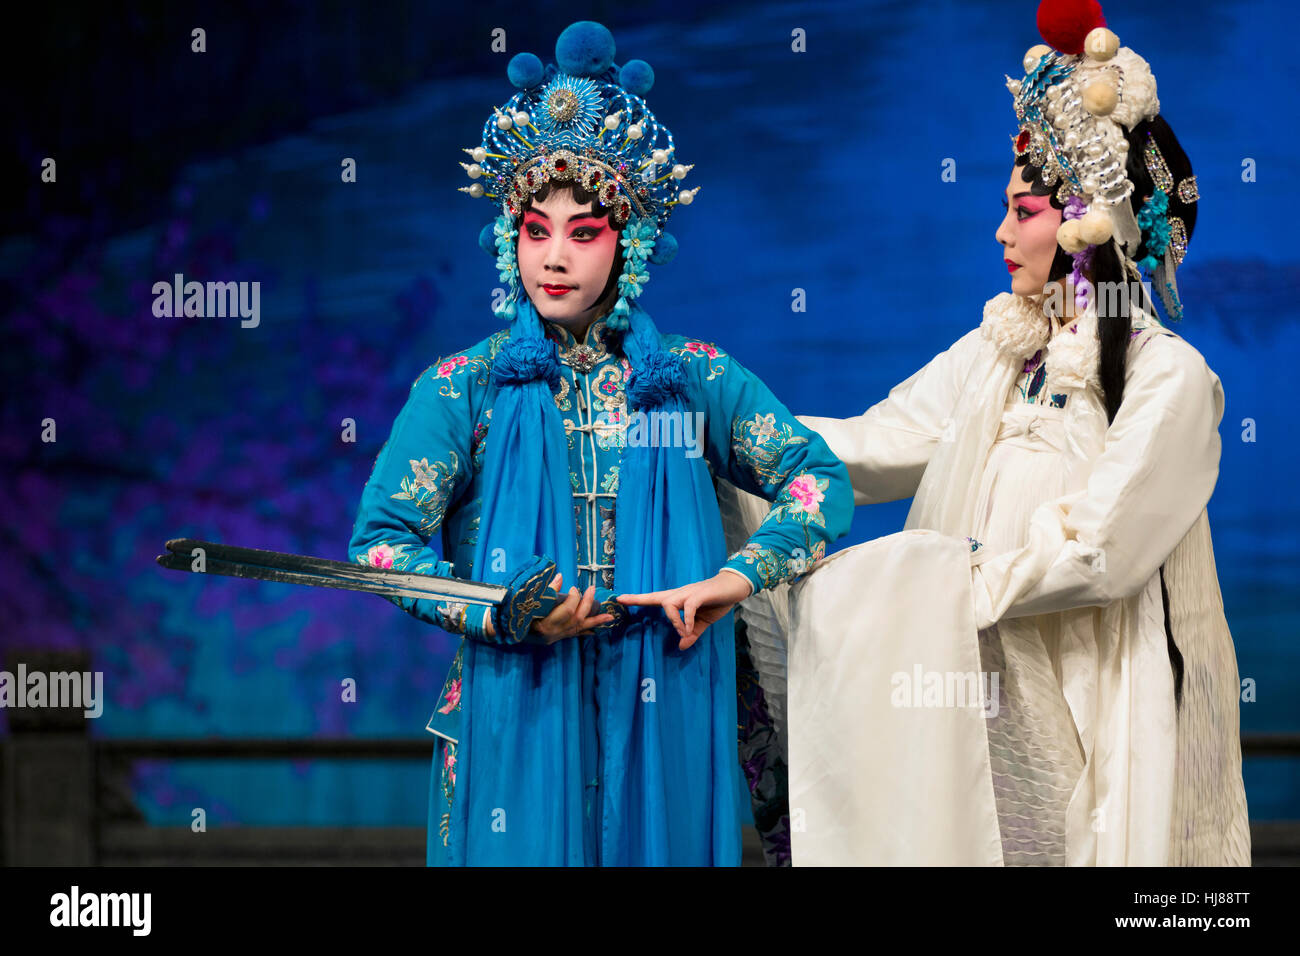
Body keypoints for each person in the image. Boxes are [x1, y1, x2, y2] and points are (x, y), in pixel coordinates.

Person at [734, 0, 1250, 865]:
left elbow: (1100, 552)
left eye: (1024, 210)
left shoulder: (1170, 379)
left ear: (1090, 220)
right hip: (969, 685)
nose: (1002, 233)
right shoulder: (1001, 348)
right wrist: (729, 430)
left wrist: (937, 588)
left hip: (1087, 693)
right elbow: (869, 447)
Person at [348, 20, 852, 866]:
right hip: (514, 716)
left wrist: (736, 578)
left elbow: (816, 483)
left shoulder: (690, 381)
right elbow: (380, 546)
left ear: (632, 241)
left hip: (665, 709)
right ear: (509, 237)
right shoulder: (462, 388)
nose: (555, 256)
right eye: (535, 228)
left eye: (584, 231)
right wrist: (505, 608)